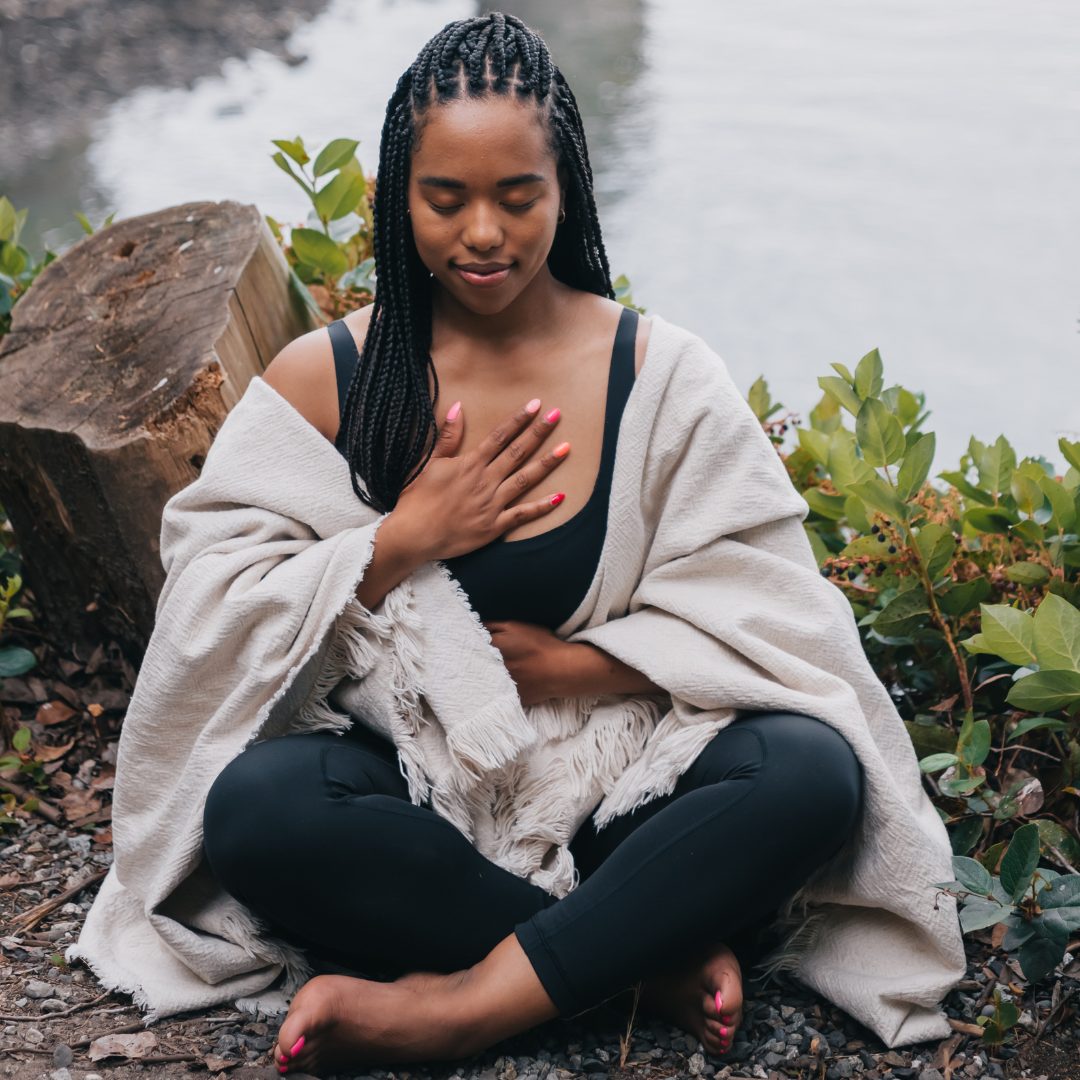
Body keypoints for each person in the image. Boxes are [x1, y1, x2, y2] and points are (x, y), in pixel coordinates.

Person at [198, 13, 865, 1077]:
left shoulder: (660, 374)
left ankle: (460, 1008)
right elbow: (214, 616)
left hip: (616, 789)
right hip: (418, 794)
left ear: (569, 190)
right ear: (394, 195)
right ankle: (641, 956)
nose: (484, 235)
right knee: (257, 813)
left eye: (519, 196)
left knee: (811, 771)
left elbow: (775, 611)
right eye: (444, 198)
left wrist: (587, 665)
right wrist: (407, 538)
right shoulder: (327, 377)